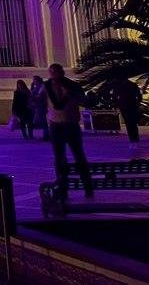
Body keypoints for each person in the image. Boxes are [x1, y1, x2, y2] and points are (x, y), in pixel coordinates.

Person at [45, 63, 94, 198]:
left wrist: (87, 99)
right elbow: (41, 101)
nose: (55, 75)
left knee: (79, 156)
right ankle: (63, 188)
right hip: (55, 125)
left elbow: (83, 100)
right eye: (53, 72)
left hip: (71, 124)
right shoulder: (46, 86)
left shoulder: (72, 86)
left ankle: (87, 186)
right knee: (59, 158)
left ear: (62, 72)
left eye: (57, 72)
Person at [113, 78, 142, 149]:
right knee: (132, 123)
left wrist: (116, 104)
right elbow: (139, 95)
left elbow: (115, 96)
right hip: (132, 105)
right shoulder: (132, 84)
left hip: (124, 106)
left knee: (128, 123)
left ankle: (132, 138)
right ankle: (135, 138)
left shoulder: (118, 85)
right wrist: (138, 103)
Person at [29, 75, 49, 141]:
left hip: (41, 106)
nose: (33, 81)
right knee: (42, 121)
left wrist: (34, 99)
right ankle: (45, 135)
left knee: (43, 121)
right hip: (38, 106)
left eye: (34, 80)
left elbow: (39, 96)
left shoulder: (42, 86)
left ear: (37, 80)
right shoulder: (37, 87)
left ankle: (46, 135)